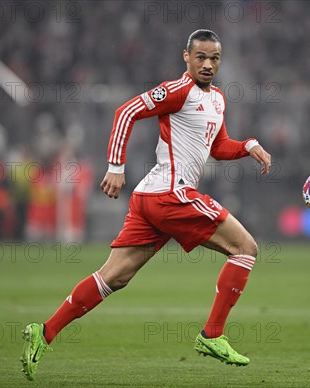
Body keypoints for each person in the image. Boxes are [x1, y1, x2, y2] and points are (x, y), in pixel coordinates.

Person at [21, 29, 272, 381]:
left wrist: (248, 146)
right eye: (200, 57)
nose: (207, 64)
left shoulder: (216, 99)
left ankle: (43, 332)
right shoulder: (177, 90)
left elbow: (217, 147)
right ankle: (212, 334)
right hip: (172, 195)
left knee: (114, 277)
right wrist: (115, 167)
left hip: (151, 198)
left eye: (214, 58)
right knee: (245, 248)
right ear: (186, 56)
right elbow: (126, 112)